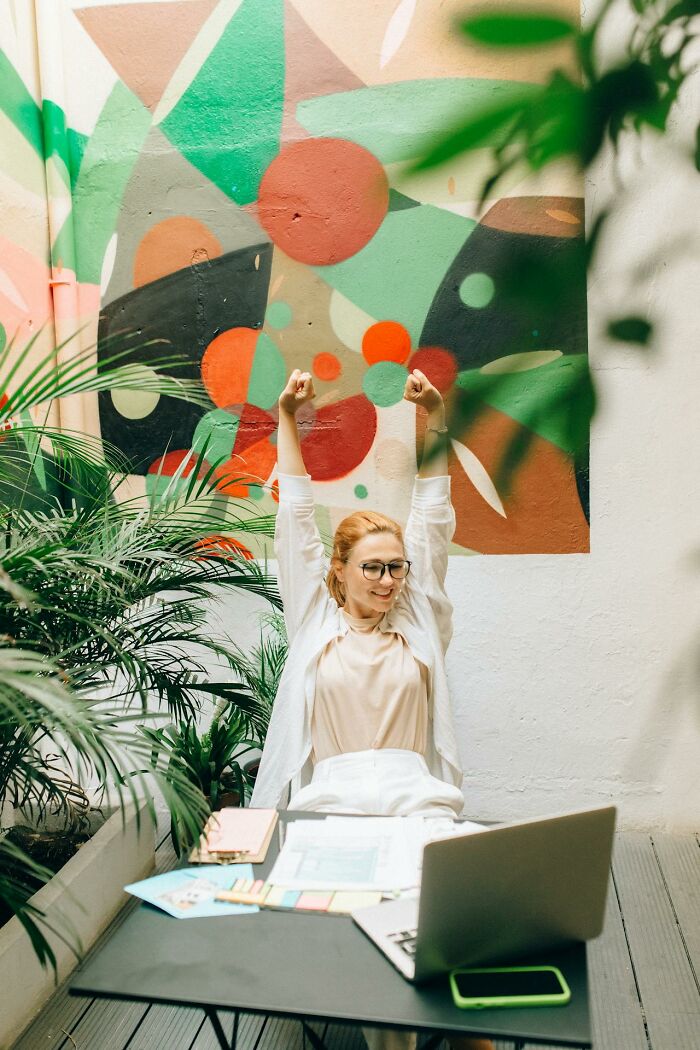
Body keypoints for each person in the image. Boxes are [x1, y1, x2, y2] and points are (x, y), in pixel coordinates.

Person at [251, 368, 493, 1050]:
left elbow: (432, 516)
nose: (388, 580)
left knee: (465, 909)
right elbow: (296, 511)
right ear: (339, 572)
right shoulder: (314, 621)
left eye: (397, 567)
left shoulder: (416, 620)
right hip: (334, 807)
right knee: (380, 927)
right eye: (373, 568)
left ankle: (473, 1028)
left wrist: (436, 420)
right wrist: (285, 418)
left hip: (415, 800)